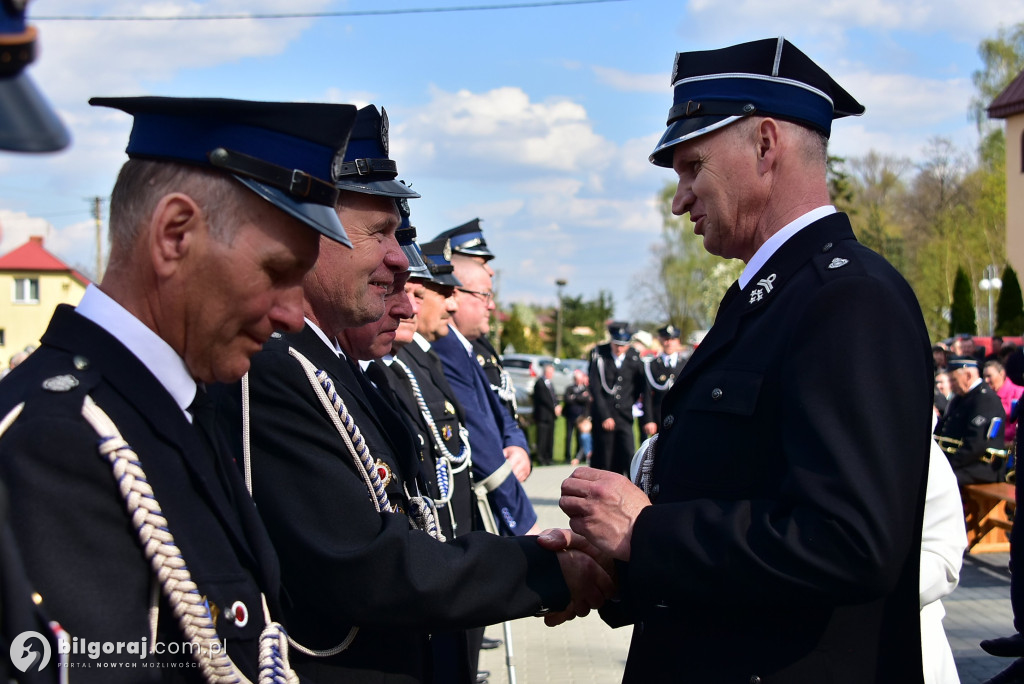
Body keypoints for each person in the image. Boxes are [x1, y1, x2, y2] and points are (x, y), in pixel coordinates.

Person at [559, 37, 934, 682]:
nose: (679, 199)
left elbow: (849, 541)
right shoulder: (777, 298)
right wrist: (620, 567)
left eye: (692, 167)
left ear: (765, 145)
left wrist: (646, 535)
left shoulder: (847, 298)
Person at [224, 106, 612, 684]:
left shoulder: (338, 366)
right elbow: (364, 566)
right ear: (310, 232)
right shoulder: (276, 368)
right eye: (379, 232)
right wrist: (546, 570)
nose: (398, 258)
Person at [0, 95, 358, 681]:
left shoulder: (179, 406)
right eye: (277, 272)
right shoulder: (56, 440)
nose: (295, 316)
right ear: (174, 235)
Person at [433, 247, 539, 535]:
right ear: (455, 295)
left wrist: (517, 444)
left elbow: (501, 413)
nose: (491, 307)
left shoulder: (469, 346)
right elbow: (482, 442)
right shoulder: (445, 347)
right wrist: (524, 524)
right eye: (485, 295)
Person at [587, 321, 654, 475]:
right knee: (605, 459)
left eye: (623, 345)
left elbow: (641, 387)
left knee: (628, 455)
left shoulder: (634, 357)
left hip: (624, 415)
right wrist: (605, 416)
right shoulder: (599, 355)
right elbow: (595, 389)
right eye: (616, 344)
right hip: (604, 416)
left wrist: (629, 403)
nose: (619, 349)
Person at [935, 357, 1006, 485]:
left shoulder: (985, 399)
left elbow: (976, 444)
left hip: (979, 467)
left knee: (936, 482)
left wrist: (948, 465)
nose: (951, 385)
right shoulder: (960, 398)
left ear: (968, 376)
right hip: (964, 464)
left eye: (953, 380)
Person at [643, 324, 684, 432]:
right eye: (666, 339)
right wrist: (649, 420)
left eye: (673, 339)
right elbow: (647, 395)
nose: (669, 343)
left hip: (681, 417)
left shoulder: (686, 364)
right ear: (660, 340)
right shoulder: (652, 365)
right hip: (659, 418)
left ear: (678, 341)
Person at [984, 359, 1023, 448]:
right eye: (984, 376)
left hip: (1011, 447)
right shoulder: (985, 396)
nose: (986, 380)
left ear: (1002, 374)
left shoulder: (1019, 393)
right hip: (988, 446)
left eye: (989, 376)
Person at [561, 369, 592, 462]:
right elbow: (567, 400)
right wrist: (580, 396)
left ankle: (579, 456)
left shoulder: (585, 388)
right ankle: (567, 456)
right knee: (569, 436)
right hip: (571, 416)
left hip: (581, 417)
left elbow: (587, 399)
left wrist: (575, 397)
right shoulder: (569, 388)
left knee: (581, 437)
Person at [532, 363, 559, 465]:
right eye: (550, 372)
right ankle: (541, 457)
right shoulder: (539, 383)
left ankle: (549, 457)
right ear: (546, 372)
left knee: (550, 437)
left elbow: (554, 398)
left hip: (551, 415)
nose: (552, 374)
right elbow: (544, 399)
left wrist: (558, 405)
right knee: (542, 437)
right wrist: (554, 408)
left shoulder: (550, 384)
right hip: (543, 415)